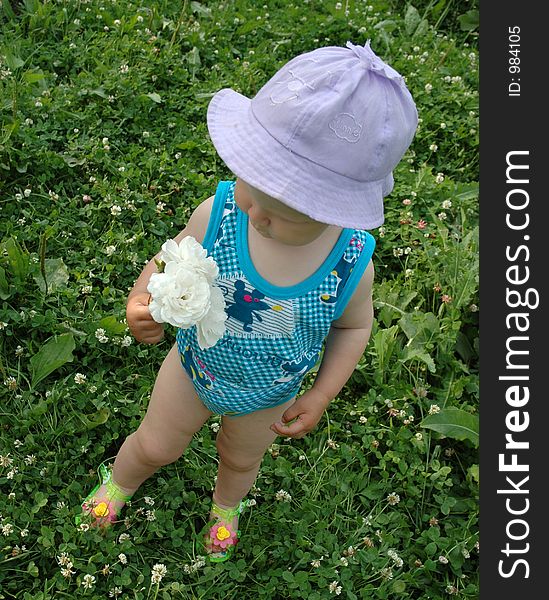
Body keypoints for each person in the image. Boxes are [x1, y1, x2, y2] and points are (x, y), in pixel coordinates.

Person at [78, 40, 417, 562]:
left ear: (336, 211)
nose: (256, 212)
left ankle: (226, 507)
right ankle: (120, 481)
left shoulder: (351, 262)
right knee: (157, 444)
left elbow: (353, 330)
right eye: (251, 187)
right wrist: (143, 299)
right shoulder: (220, 213)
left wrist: (322, 394)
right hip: (194, 369)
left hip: (270, 392)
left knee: (240, 461)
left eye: (286, 215)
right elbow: (171, 259)